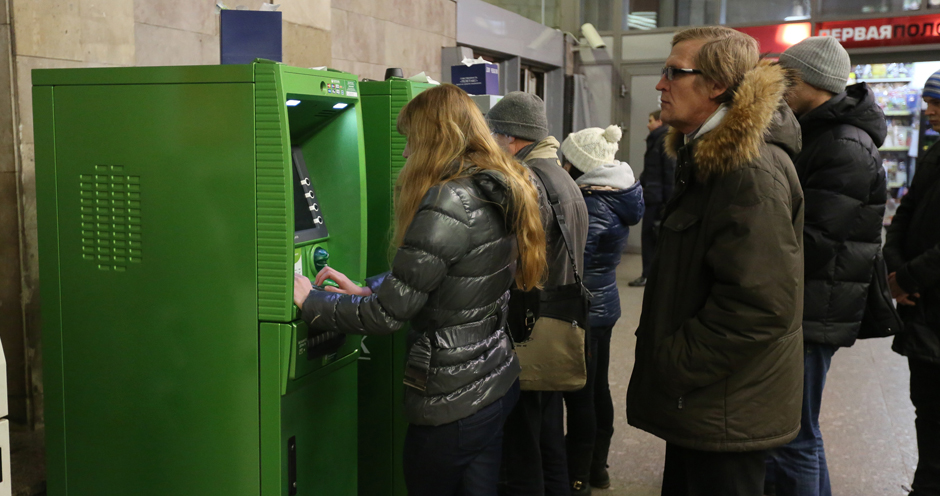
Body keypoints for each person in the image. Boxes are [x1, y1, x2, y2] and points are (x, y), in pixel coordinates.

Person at [292, 83, 547, 496]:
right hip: (494, 380)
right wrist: (368, 288)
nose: (407, 153)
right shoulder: (496, 186)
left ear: (433, 140)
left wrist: (312, 302)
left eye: (411, 141)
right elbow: (455, 274)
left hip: (452, 399)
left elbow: (386, 316)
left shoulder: (448, 200)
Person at [625, 26, 805, 496]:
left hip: (725, 407)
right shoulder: (708, 155)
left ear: (718, 85)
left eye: (673, 73)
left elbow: (760, 306)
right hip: (708, 401)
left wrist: (672, 365)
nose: (661, 85)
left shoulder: (747, 171)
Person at [766, 36, 888, 496]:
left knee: (796, 434)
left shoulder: (845, 144)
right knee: (794, 431)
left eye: (784, 79)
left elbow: (816, 237)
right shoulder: (818, 130)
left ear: (805, 82)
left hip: (817, 306)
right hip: (809, 299)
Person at [487, 91, 589, 496]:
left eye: (494, 133)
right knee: (547, 439)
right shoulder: (561, 174)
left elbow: (509, 261)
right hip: (554, 325)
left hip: (529, 329)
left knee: (522, 448)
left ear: (512, 138)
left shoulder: (527, 181)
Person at [559, 124, 644, 494]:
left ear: (580, 166)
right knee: (595, 390)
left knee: (582, 394)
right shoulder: (613, 194)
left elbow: (573, 262)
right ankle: (597, 467)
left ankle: (579, 473)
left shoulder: (593, 204)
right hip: (603, 304)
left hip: (586, 310)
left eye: (566, 160)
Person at [884, 68, 940, 496]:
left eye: (937, 102)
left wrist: (906, 276)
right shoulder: (934, 152)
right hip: (921, 310)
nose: (928, 109)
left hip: (927, 299)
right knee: (927, 410)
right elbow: (905, 212)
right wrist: (896, 267)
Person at [629, 110, 675, 288]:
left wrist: (667, 203)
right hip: (653, 195)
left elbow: (669, 173)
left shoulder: (663, 140)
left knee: (650, 238)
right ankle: (651, 274)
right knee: (650, 237)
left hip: (658, 199)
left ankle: (649, 275)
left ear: (660, 121)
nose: (648, 124)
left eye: (651, 121)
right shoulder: (657, 139)